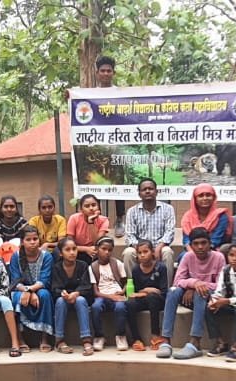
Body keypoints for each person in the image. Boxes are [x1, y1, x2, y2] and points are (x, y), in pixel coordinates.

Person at [157, 228, 225, 360]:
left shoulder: (219, 257)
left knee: (200, 292)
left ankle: (195, 342)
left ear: (210, 243)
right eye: (196, 243)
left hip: (209, 295)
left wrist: (198, 286)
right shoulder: (188, 256)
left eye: (203, 243)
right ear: (191, 245)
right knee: (173, 291)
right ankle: (166, 340)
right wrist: (194, 283)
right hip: (188, 295)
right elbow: (177, 281)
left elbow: (220, 285)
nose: (200, 247)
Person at [93, 54, 128, 237]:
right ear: (97, 73)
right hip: (97, 145)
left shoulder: (120, 93)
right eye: (103, 71)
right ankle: (97, 220)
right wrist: (70, 97)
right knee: (96, 181)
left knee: (118, 180)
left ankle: (120, 218)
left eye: (109, 71)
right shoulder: (89, 95)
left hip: (117, 144)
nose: (106, 73)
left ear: (113, 73)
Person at [9, 226, 55, 352]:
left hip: (39, 287)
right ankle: (20, 339)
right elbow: (15, 280)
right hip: (20, 289)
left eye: (35, 239)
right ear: (22, 242)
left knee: (45, 295)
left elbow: (45, 280)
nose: (32, 242)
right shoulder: (16, 257)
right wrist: (26, 291)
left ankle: (44, 338)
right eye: (28, 239)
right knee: (17, 298)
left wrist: (30, 291)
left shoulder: (46, 256)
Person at [120, 178, 177, 279]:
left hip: (160, 247)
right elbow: (130, 235)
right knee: (128, 253)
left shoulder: (168, 209)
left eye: (150, 189)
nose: (147, 191)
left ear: (156, 192)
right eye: (144, 189)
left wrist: (158, 248)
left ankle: (166, 287)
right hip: (139, 248)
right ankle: (133, 285)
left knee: (167, 251)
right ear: (139, 194)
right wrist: (142, 250)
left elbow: (170, 232)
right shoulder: (132, 211)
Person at [51, 237, 95, 355]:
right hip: (64, 298)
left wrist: (76, 293)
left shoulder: (83, 265)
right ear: (61, 253)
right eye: (68, 250)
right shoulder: (57, 267)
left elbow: (87, 286)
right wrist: (63, 294)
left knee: (80, 300)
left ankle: (86, 340)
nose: (72, 252)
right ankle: (59, 340)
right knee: (60, 301)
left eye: (74, 249)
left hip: (79, 296)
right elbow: (54, 288)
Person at [125, 240, 169, 351]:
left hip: (158, 301)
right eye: (139, 253)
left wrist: (148, 292)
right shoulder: (136, 269)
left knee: (152, 297)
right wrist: (147, 290)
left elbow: (163, 291)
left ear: (152, 252)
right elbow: (136, 292)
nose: (142, 255)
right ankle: (136, 339)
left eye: (145, 252)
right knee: (129, 303)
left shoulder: (161, 267)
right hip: (143, 299)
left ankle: (155, 336)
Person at [88, 237, 130, 351]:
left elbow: (126, 283)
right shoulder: (92, 267)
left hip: (116, 293)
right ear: (97, 249)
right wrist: (111, 297)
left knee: (120, 307)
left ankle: (121, 335)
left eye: (110, 250)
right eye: (104, 249)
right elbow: (96, 292)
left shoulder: (117, 264)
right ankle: (99, 336)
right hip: (102, 296)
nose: (107, 252)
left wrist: (122, 291)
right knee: (95, 307)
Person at [180, 184, 231, 254]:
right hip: (191, 249)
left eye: (208, 195)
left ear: (214, 197)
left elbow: (216, 239)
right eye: (201, 196)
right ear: (195, 199)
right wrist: (191, 252)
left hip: (213, 248)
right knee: (184, 256)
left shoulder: (220, 216)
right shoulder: (188, 216)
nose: (205, 198)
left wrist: (202, 251)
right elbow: (186, 239)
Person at [67, 193, 110, 263]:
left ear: (98, 206)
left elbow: (98, 243)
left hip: (94, 250)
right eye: (87, 206)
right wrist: (86, 249)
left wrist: (91, 222)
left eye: (94, 205)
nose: (91, 208)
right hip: (77, 250)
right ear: (81, 209)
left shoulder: (104, 220)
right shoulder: (74, 218)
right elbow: (69, 244)